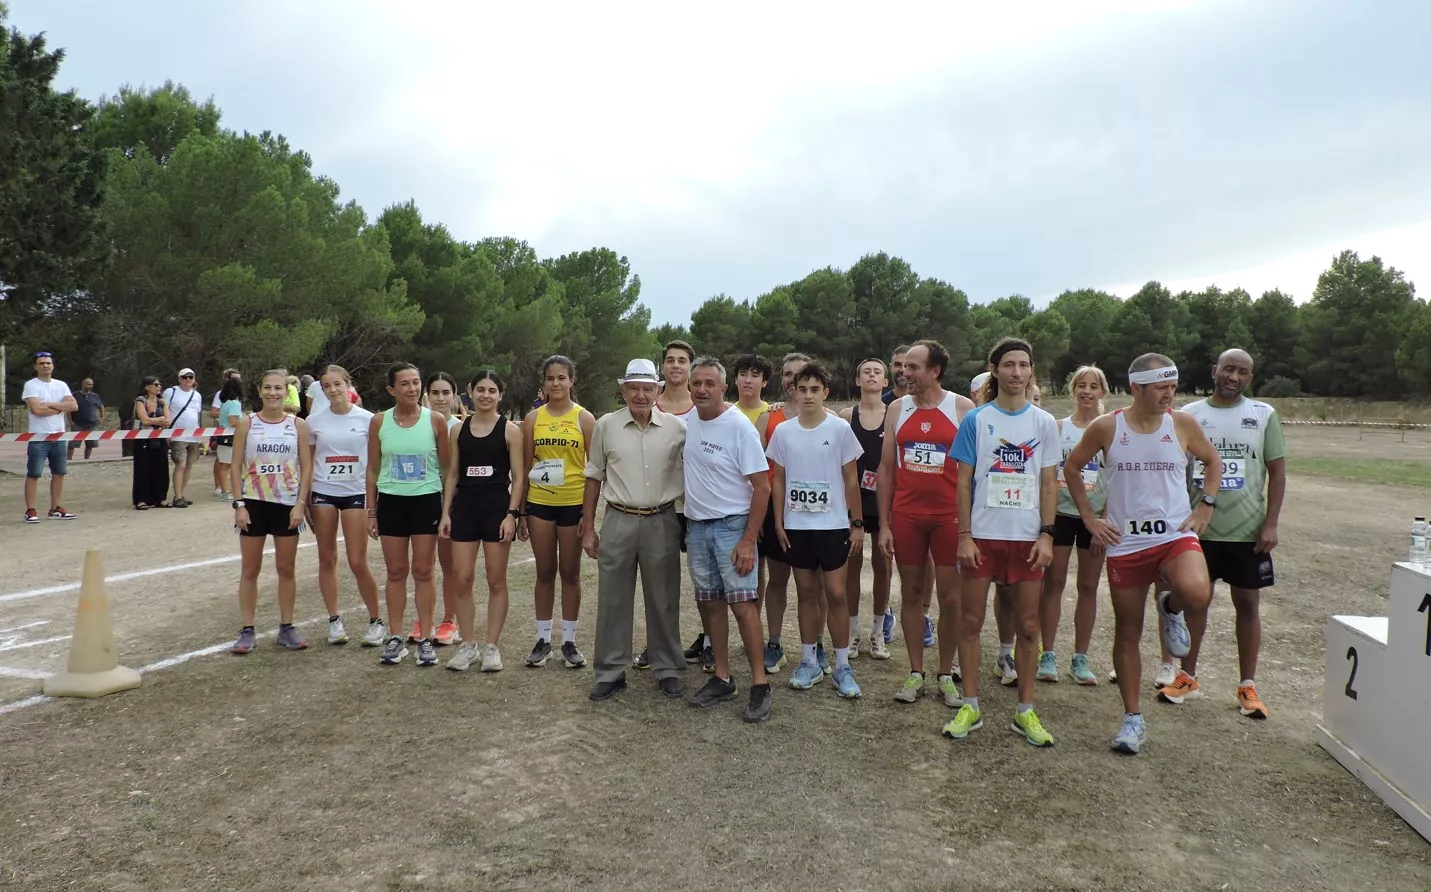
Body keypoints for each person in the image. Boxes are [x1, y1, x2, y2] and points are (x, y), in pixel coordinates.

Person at [1064, 352, 1221, 755]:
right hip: (1126, 543)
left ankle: (1170, 607)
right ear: (1136, 389)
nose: (1170, 394)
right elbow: (1072, 467)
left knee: (1198, 592)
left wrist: (1205, 504)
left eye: (1173, 386)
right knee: (1128, 629)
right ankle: (1132, 718)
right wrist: (1089, 518)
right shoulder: (1107, 427)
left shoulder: (1182, 423)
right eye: (1161, 388)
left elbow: (1213, 461)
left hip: (1173, 534)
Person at [1155, 348, 1284, 719]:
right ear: (1214, 370)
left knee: (1248, 606)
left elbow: (1277, 471)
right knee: (1196, 602)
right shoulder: (1189, 415)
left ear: (1250, 378)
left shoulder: (1263, 415)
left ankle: (1247, 685)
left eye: (1243, 372)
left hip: (1247, 532)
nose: (1234, 376)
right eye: (1228, 368)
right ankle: (1187, 677)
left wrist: (1271, 522)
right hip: (1197, 530)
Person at [943, 338, 1060, 746]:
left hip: (1026, 540)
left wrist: (1047, 534)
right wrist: (964, 534)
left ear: (1031, 371)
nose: (1016, 372)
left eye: (1023, 365)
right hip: (983, 539)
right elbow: (961, 482)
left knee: (1029, 627)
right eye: (1008, 364)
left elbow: (1048, 483)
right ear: (995, 370)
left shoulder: (1044, 423)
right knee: (971, 622)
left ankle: (1025, 711)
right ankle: (971, 704)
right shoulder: (976, 420)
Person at [581, 358, 688, 700]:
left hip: (662, 519)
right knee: (613, 598)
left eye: (647, 388)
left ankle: (668, 667)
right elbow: (594, 476)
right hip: (618, 519)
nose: (641, 395)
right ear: (623, 389)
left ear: (658, 390)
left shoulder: (677, 428)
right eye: (634, 388)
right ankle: (611, 671)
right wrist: (588, 527)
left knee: (665, 598)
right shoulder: (606, 425)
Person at [877, 340, 974, 707]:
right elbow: (887, 468)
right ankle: (915, 672)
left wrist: (968, 527)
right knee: (912, 594)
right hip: (908, 517)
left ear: (935, 371)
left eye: (914, 367)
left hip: (949, 517)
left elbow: (972, 470)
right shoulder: (897, 408)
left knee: (951, 599)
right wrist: (885, 524)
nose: (904, 373)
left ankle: (945, 673)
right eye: (903, 367)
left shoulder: (962, 408)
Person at [767, 362, 865, 699]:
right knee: (806, 593)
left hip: (833, 525)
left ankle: (842, 666)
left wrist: (857, 524)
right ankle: (808, 661)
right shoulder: (783, 431)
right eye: (802, 389)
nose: (808, 395)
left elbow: (851, 479)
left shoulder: (839, 429)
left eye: (815, 389)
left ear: (826, 392)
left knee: (836, 594)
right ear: (794, 391)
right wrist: (778, 521)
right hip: (797, 526)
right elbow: (778, 479)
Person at [682, 358, 773, 722]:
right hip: (697, 527)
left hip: (733, 527)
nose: (701, 389)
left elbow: (763, 486)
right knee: (710, 605)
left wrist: (749, 540)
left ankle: (760, 684)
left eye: (709, 383)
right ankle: (722, 676)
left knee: (743, 606)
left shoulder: (738, 427)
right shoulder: (689, 421)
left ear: (724, 388)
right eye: (696, 383)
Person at [439, 370, 525, 673]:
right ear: (470, 392)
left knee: (495, 578)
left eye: (492, 390)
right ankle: (468, 646)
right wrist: (446, 513)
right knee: (461, 578)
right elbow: (452, 475)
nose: (485, 395)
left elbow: (519, 477)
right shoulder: (457, 430)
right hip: (464, 509)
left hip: (496, 510)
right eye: (480, 390)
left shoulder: (510, 430)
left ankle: (492, 646)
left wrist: (512, 515)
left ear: (500, 395)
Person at [366, 362, 451, 667]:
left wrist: (447, 509)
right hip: (391, 502)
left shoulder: (436, 421)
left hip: (426, 502)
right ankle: (396, 637)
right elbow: (373, 469)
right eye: (404, 384)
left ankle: (426, 638)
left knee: (424, 571)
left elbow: (447, 469)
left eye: (416, 383)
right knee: (396, 571)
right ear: (391, 389)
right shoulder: (379, 422)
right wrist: (371, 511)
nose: (412, 389)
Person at [754, 353, 833, 676]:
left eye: (799, 374)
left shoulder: (831, 419)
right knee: (777, 580)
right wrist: (757, 516)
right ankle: (774, 642)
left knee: (818, 586)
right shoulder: (768, 418)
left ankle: (816, 643)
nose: (792, 379)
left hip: (817, 514)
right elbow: (757, 470)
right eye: (787, 374)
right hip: (777, 510)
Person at [229, 370, 314, 653]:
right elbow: (235, 465)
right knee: (250, 569)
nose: (273, 393)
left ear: (286, 391)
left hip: (287, 505)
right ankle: (247, 629)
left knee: (286, 569)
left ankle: (287, 626)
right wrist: (239, 504)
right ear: (259, 390)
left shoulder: (297, 425)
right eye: (268, 388)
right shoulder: (246, 423)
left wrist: (301, 504)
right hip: (253, 503)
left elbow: (306, 467)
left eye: (278, 388)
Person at [520, 355, 595, 669]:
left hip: (573, 504)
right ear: (544, 383)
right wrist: (521, 513)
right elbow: (525, 466)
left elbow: (594, 471)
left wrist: (588, 517)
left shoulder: (585, 419)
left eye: (561, 378)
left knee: (570, 573)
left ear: (571, 381)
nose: (556, 384)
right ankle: (542, 639)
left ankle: (569, 640)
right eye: (551, 378)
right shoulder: (532, 419)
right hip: (539, 503)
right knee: (545, 572)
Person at [1037, 365, 1109, 685]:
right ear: (1072, 390)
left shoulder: (1111, 429)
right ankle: (1048, 654)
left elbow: (1117, 478)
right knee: (1053, 585)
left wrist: (1104, 521)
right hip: (1061, 515)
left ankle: (1080, 659)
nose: (1087, 391)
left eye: (1094, 386)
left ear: (1102, 392)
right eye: (1081, 385)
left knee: (1088, 588)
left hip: (1096, 520)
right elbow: (1047, 476)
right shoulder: (1058, 427)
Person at [307, 365, 384, 648]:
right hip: (323, 492)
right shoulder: (313, 421)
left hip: (356, 493)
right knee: (327, 558)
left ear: (348, 385)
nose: (333, 390)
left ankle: (376, 621)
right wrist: (304, 499)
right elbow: (309, 460)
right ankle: (334, 621)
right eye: (326, 386)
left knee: (357, 560)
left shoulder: (369, 419)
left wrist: (374, 497)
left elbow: (376, 462)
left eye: (337, 384)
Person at [840, 358, 892, 660]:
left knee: (883, 566)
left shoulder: (894, 415)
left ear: (885, 382)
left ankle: (878, 633)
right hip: (854, 502)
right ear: (858, 380)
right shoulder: (848, 416)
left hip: (885, 503)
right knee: (852, 567)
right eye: (866, 372)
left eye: (877, 372)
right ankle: (853, 631)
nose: (872, 375)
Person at [424, 372, 465, 646]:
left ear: (454, 396)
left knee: (450, 564)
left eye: (446, 393)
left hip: (454, 503)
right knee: (423, 565)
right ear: (426, 395)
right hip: (422, 500)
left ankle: (451, 620)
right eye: (435, 393)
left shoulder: (462, 427)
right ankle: (424, 619)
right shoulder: (418, 423)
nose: (440, 398)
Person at [21, 352, 78, 523]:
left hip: (58, 436)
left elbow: (73, 405)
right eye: (41, 363)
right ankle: (30, 509)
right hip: (39, 437)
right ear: (36, 366)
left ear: (53, 366)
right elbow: (37, 410)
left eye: (48, 363)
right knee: (34, 473)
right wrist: (61, 408)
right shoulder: (31, 385)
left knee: (59, 473)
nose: (45, 366)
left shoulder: (61, 385)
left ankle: (55, 507)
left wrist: (51, 405)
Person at [162, 368, 204, 508]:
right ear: (179, 379)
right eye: (184, 377)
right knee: (181, 464)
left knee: (189, 465)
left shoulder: (197, 395)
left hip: (194, 434)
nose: (188, 379)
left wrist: (201, 434)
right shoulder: (171, 392)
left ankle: (180, 494)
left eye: (190, 377)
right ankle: (178, 497)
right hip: (177, 434)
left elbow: (197, 414)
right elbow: (165, 410)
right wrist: (167, 432)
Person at [131, 376, 171, 510]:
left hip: (159, 437)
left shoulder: (162, 402)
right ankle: (141, 499)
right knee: (143, 468)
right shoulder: (140, 401)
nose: (159, 386)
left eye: (160, 384)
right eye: (155, 384)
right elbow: (144, 420)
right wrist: (159, 419)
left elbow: (168, 420)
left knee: (161, 467)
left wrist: (156, 420)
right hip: (143, 437)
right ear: (147, 387)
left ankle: (160, 498)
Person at [211, 369, 243, 498]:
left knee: (226, 464)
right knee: (226, 465)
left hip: (225, 437)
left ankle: (226, 489)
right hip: (229, 438)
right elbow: (233, 421)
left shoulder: (226, 403)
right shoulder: (234, 403)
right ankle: (224, 491)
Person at [656, 339, 696, 418]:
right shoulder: (649, 407)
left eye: (682, 361)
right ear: (662, 369)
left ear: (691, 369)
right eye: (670, 361)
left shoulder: (702, 406)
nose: (675, 365)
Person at [732, 353, 773, 425]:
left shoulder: (772, 413)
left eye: (754, 376)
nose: (748, 380)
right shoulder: (726, 412)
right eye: (743, 375)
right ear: (736, 380)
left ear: (764, 382)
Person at [67, 378, 104, 461]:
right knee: (73, 444)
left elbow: (101, 406)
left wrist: (102, 418)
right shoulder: (75, 395)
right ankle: (69, 459)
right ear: (83, 385)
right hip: (77, 423)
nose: (90, 386)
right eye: (88, 384)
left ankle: (87, 459)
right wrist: (71, 421)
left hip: (91, 424)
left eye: (91, 385)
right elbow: (69, 409)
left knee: (91, 443)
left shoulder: (95, 396)